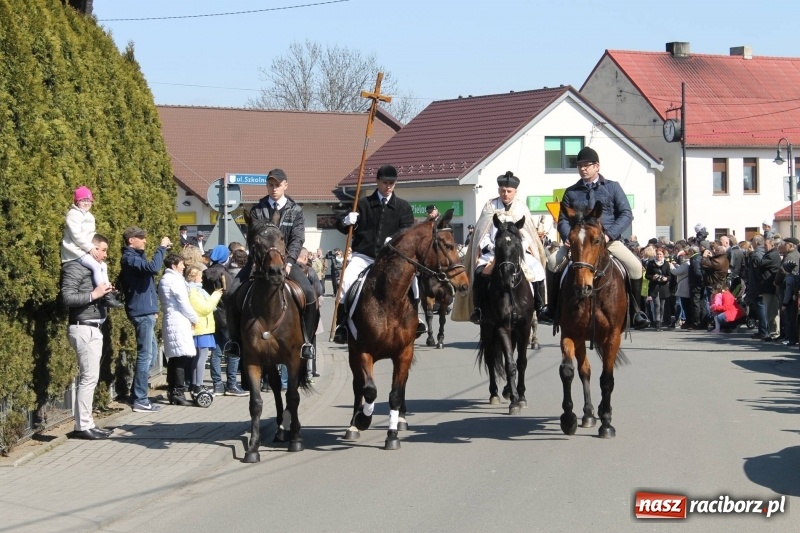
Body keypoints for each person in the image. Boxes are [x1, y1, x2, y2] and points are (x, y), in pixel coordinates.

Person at [539, 147, 650, 329]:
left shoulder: (612, 187)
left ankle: (637, 312)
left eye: (587, 165)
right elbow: (563, 219)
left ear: (597, 166)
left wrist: (608, 234)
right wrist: (568, 236)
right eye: (579, 166)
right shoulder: (571, 192)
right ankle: (551, 308)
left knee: (636, 267)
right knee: (552, 262)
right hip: (579, 243)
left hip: (608, 241)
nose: (582, 169)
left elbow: (626, 214)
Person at [332, 164, 418, 343]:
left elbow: (407, 230)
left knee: (414, 282)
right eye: (385, 183)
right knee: (345, 282)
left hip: (392, 259)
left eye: (392, 183)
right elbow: (341, 226)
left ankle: (416, 319)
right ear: (377, 182)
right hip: (364, 256)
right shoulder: (363, 204)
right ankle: (342, 324)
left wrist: (395, 239)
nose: (388, 187)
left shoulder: (403, 206)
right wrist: (346, 220)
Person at [246, 168, 317, 359]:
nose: (274, 188)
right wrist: (255, 261)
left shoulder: (296, 210)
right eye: (270, 185)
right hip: (260, 264)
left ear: (285, 185)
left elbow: (297, 238)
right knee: (234, 291)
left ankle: (307, 342)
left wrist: (290, 261)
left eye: (277, 185)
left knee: (309, 294)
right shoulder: (257, 210)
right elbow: (252, 238)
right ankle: (235, 343)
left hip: (286, 263)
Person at [466, 171, 546, 324]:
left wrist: (518, 247)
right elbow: (482, 234)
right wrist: (493, 246)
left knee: (538, 270)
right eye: (503, 191)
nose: (505, 194)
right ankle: (478, 308)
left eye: (509, 191)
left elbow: (528, 235)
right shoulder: (489, 207)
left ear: (515, 191)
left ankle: (540, 307)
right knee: (479, 272)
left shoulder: (521, 209)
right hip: (493, 252)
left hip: (517, 253)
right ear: (498, 190)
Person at [61, 233, 114, 440]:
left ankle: (87, 423)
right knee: (88, 378)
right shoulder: (75, 267)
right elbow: (67, 297)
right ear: (92, 248)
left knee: (91, 378)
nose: (105, 255)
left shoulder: (95, 269)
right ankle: (82, 426)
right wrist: (94, 294)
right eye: (102, 250)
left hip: (93, 327)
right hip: (83, 327)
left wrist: (106, 294)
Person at [120, 226, 171, 413]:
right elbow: (153, 268)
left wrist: (153, 309)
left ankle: (136, 394)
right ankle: (140, 399)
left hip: (147, 312)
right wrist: (161, 248)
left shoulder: (137, 257)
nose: (145, 241)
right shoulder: (129, 258)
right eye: (141, 238)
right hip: (141, 314)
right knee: (145, 356)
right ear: (131, 240)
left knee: (151, 354)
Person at [61, 186, 123, 308]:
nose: (86, 203)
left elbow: (91, 235)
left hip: (84, 250)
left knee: (103, 265)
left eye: (89, 201)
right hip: (74, 251)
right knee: (96, 265)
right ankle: (105, 295)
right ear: (77, 201)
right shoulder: (73, 214)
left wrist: (95, 247)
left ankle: (108, 290)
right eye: (83, 200)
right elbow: (76, 235)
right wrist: (90, 248)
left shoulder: (90, 216)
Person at [202, 245, 246, 396]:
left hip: (212, 316)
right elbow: (231, 296)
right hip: (227, 316)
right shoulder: (224, 274)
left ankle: (217, 385)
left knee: (217, 351)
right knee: (233, 350)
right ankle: (232, 384)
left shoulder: (205, 273)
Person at [158, 254, 198, 406]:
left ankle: (172, 390)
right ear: (174, 266)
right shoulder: (174, 280)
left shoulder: (167, 279)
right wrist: (195, 318)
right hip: (178, 320)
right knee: (180, 358)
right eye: (181, 264)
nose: (183, 267)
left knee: (175, 358)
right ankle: (178, 392)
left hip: (172, 319)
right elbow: (183, 303)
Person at [186, 264, 224, 396]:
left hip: (203, 327)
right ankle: (198, 385)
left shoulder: (197, 290)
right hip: (201, 328)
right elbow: (205, 308)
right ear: (193, 277)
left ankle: (195, 384)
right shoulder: (193, 292)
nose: (201, 279)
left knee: (198, 358)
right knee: (201, 358)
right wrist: (216, 295)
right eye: (199, 276)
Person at [645, 247, 671, 331]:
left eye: (660, 254)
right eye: (657, 254)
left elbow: (669, 275)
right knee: (657, 305)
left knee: (662, 306)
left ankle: (661, 321)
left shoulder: (666, 263)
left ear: (663, 255)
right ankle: (657, 323)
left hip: (663, 287)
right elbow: (647, 275)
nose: (659, 256)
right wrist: (653, 277)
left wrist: (666, 278)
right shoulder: (651, 263)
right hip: (654, 287)